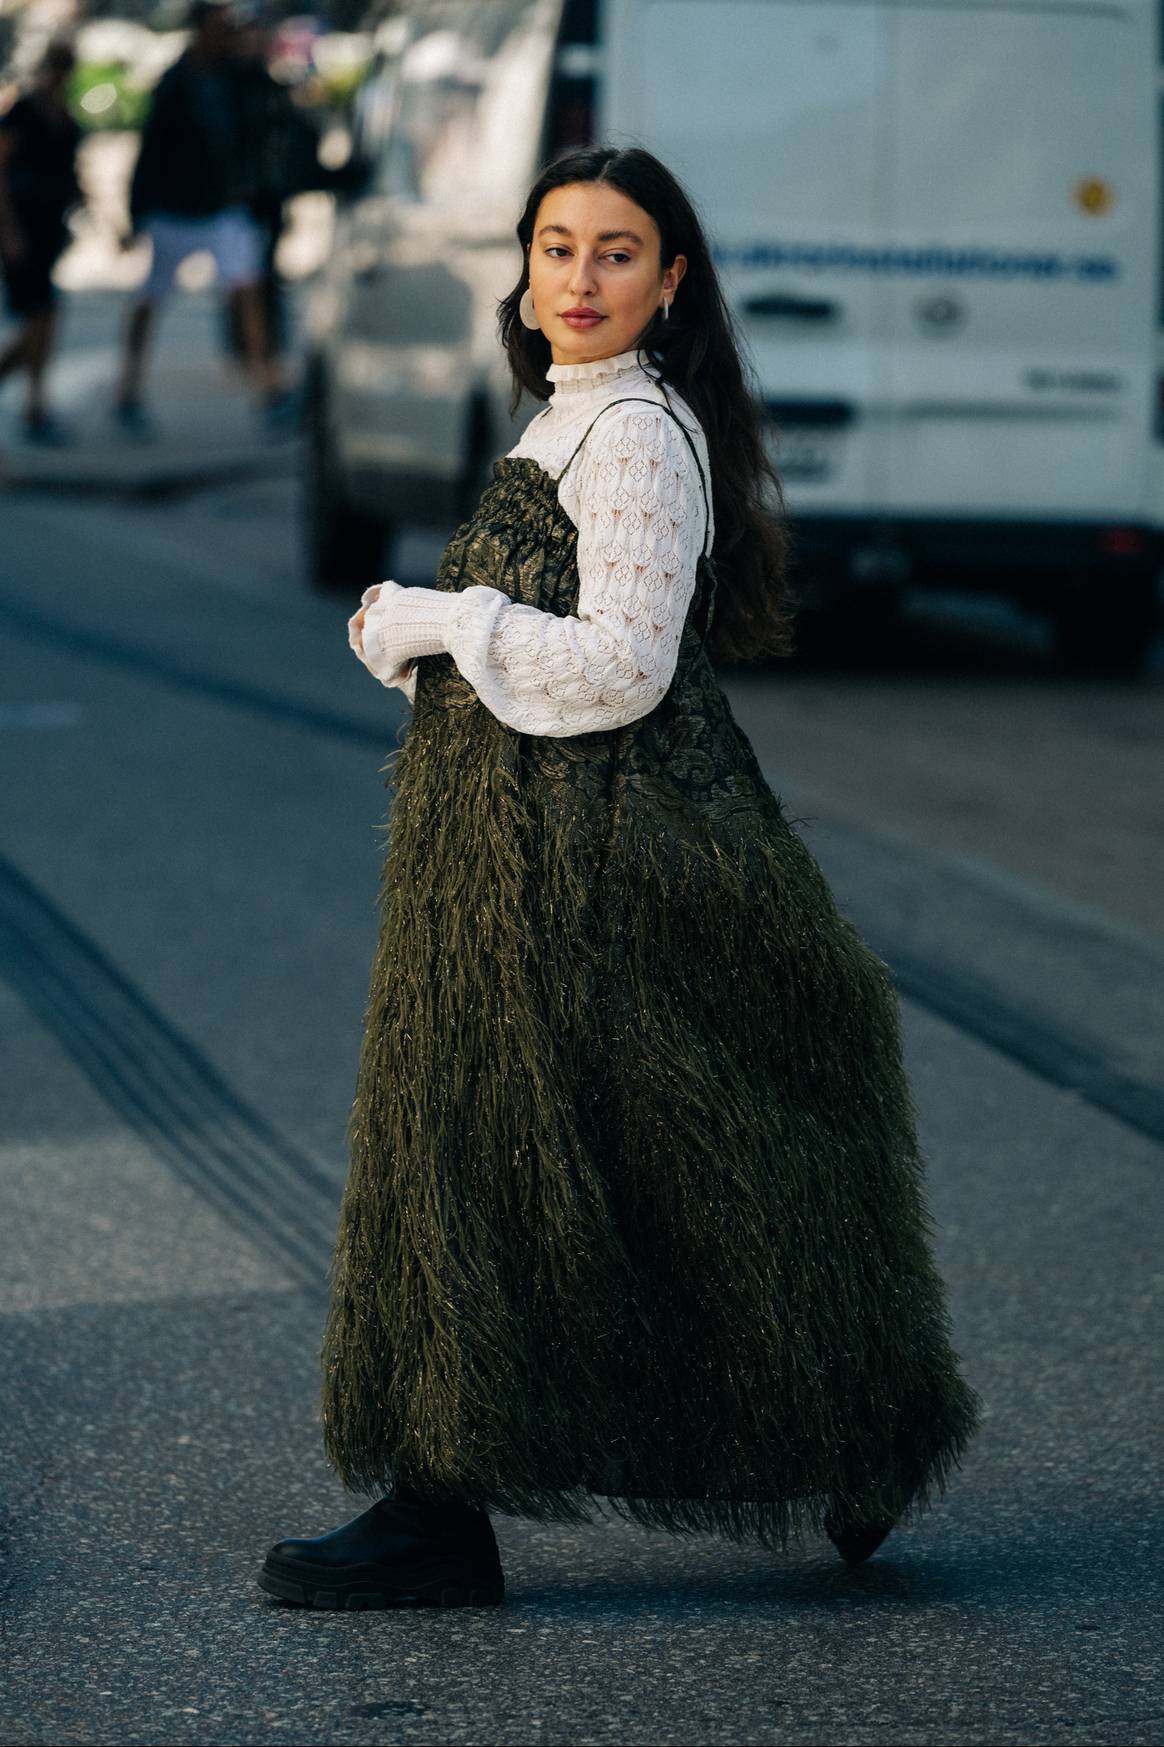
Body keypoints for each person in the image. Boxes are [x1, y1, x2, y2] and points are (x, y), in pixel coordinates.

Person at [259, 145, 981, 1611]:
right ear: (521, 266)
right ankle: (824, 1435)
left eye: (617, 252)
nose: (579, 280)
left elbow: (623, 665)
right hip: (508, 856)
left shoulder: (641, 432)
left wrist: (440, 613)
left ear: (673, 280)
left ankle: (444, 1506)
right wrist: (420, 633)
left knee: (516, 1156)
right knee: (602, 1164)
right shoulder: (564, 417)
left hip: (592, 865)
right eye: (557, 246)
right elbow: (523, 643)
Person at [114, 0, 291, 436]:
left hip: (224, 206)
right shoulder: (176, 83)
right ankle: (128, 388)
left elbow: (266, 121)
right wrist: (136, 213)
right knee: (151, 300)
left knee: (249, 290)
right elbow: (151, 150)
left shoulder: (238, 76)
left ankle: (267, 388)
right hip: (177, 208)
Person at [0, 39, 82, 446]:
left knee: (45, 319)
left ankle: (36, 404)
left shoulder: (62, 112)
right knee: (37, 319)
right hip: (22, 227)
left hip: (48, 228)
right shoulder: (25, 110)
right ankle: (34, 405)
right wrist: (8, 228)